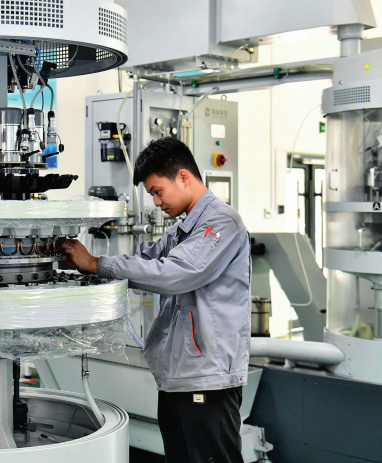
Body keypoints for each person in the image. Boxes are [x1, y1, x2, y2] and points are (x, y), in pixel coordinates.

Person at [58, 137, 250, 463]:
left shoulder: (221, 222)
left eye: (158, 191)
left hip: (207, 379)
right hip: (177, 378)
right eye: (152, 195)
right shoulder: (181, 231)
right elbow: (145, 261)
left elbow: (173, 274)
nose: (157, 202)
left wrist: (96, 263)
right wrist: (82, 263)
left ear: (183, 177)